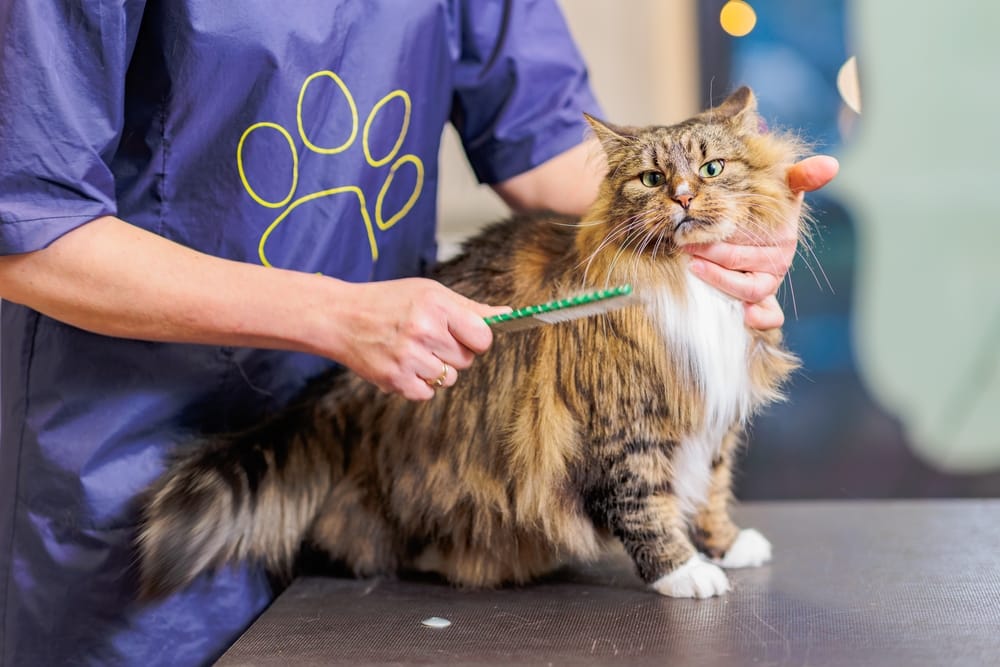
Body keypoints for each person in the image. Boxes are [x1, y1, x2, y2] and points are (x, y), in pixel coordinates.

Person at [0, 1, 838, 665]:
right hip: (128, 453)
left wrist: (724, 237)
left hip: (393, 453)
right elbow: (29, 230)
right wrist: (334, 315)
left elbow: (548, 149)